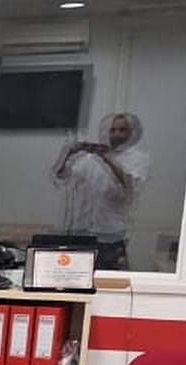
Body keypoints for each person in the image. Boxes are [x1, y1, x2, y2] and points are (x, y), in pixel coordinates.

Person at [53, 112, 149, 270]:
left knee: (110, 280)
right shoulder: (89, 159)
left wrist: (108, 159)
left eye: (122, 130)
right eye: (113, 130)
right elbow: (62, 177)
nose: (116, 134)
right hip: (82, 234)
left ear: (132, 133)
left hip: (111, 236)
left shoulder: (138, 159)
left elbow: (130, 185)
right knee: (77, 279)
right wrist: (69, 153)